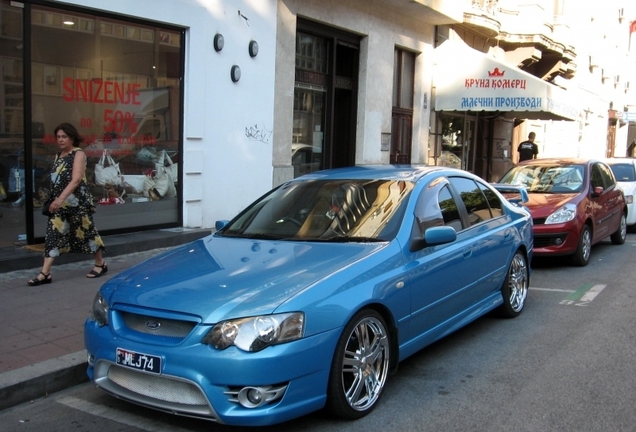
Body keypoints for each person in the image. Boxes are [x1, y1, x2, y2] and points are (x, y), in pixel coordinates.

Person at [28, 123, 107, 286]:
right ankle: (45, 273)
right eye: (58, 137)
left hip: (77, 203)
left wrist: (60, 199)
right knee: (52, 235)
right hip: (59, 205)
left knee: (87, 233)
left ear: (72, 137)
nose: (60, 140)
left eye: (64, 137)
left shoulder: (78, 154)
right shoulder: (59, 155)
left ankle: (100, 264)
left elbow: (76, 179)